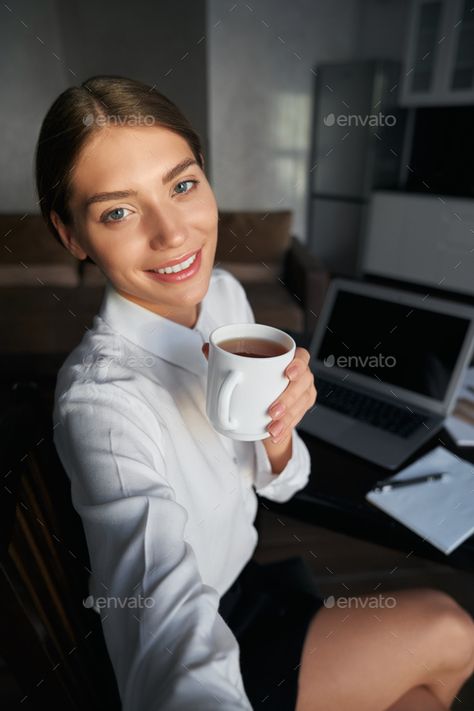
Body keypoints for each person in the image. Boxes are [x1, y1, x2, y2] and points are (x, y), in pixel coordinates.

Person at [35, 75, 474, 711]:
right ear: (72, 235)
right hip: (192, 638)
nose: (173, 235)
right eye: (118, 212)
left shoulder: (225, 298)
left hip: (247, 585)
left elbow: (284, 484)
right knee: (452, 632)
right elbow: (160, 606)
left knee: (426, 694)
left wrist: (278, 437)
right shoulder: (102, 405)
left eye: (182, 185)